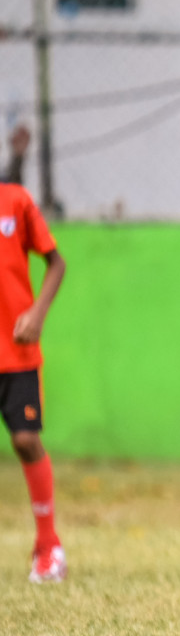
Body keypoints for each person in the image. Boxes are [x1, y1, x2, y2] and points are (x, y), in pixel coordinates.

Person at [0, 178, 66, 581]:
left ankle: (48, 544)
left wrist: (38, 314)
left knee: (25, 439)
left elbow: (56, 262)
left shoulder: (15, 199)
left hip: (16, 349)